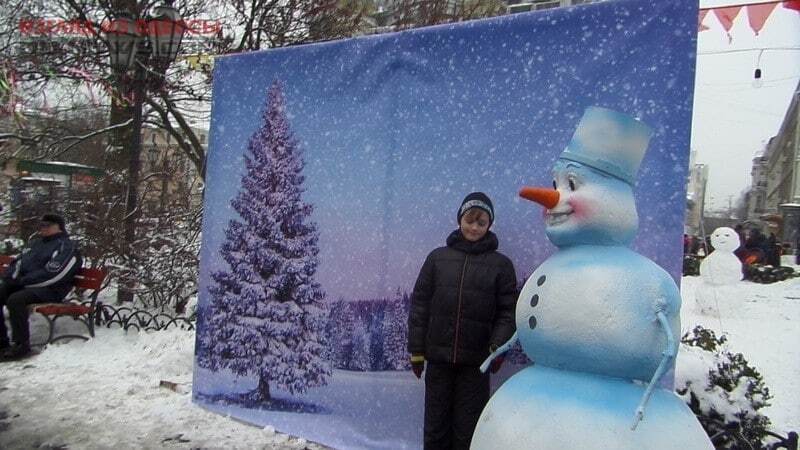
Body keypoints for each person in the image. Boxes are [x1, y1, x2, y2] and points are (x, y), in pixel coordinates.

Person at [407, 192, 517, 450]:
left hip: (475, 365)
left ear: (489, 225)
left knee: (467, 432)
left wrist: (497, 347)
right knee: (435, 429)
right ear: (460, 220)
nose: (474, 227)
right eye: (470, 220)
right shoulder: (437, 259)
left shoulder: (501, 265)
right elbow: (420, 305)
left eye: (481, 222)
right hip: (439, 362)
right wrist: (417, 350)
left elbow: (508, 311)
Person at [1, 214, 82, 359]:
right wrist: (11, 278)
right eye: (41, 225)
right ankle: (2, 342)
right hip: (28, 285)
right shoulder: (35, 244)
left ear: (59, 227)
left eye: (48, 225)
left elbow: (55, 274)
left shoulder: (66, 246)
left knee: (15, 299)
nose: (43, 228)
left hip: (50, 290)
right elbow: (17, 263)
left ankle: (21, 345)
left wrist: (23, 282)